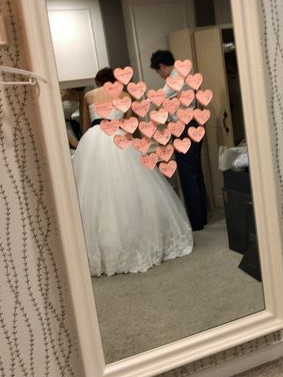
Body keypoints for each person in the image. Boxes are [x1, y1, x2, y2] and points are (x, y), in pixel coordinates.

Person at [72, 67, 193, 277]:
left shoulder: (89, 96)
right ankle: (138, 240)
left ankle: (104, 250)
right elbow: (131, 126)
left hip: (93, 140)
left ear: (98, 82)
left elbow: (84, 125)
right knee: (131, 190)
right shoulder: (125, 95)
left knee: (98, 193)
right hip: (119, 138)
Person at [150, 50, 208, 231]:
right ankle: (201, 214)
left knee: (188, 173)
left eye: (158, 71)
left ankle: (196, 220)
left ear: (162, 66)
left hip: (183, 128)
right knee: (196, 171)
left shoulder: (174, 80)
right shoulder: (187, 74)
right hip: (195, 125)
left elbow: (156, 98)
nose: (160, 75)